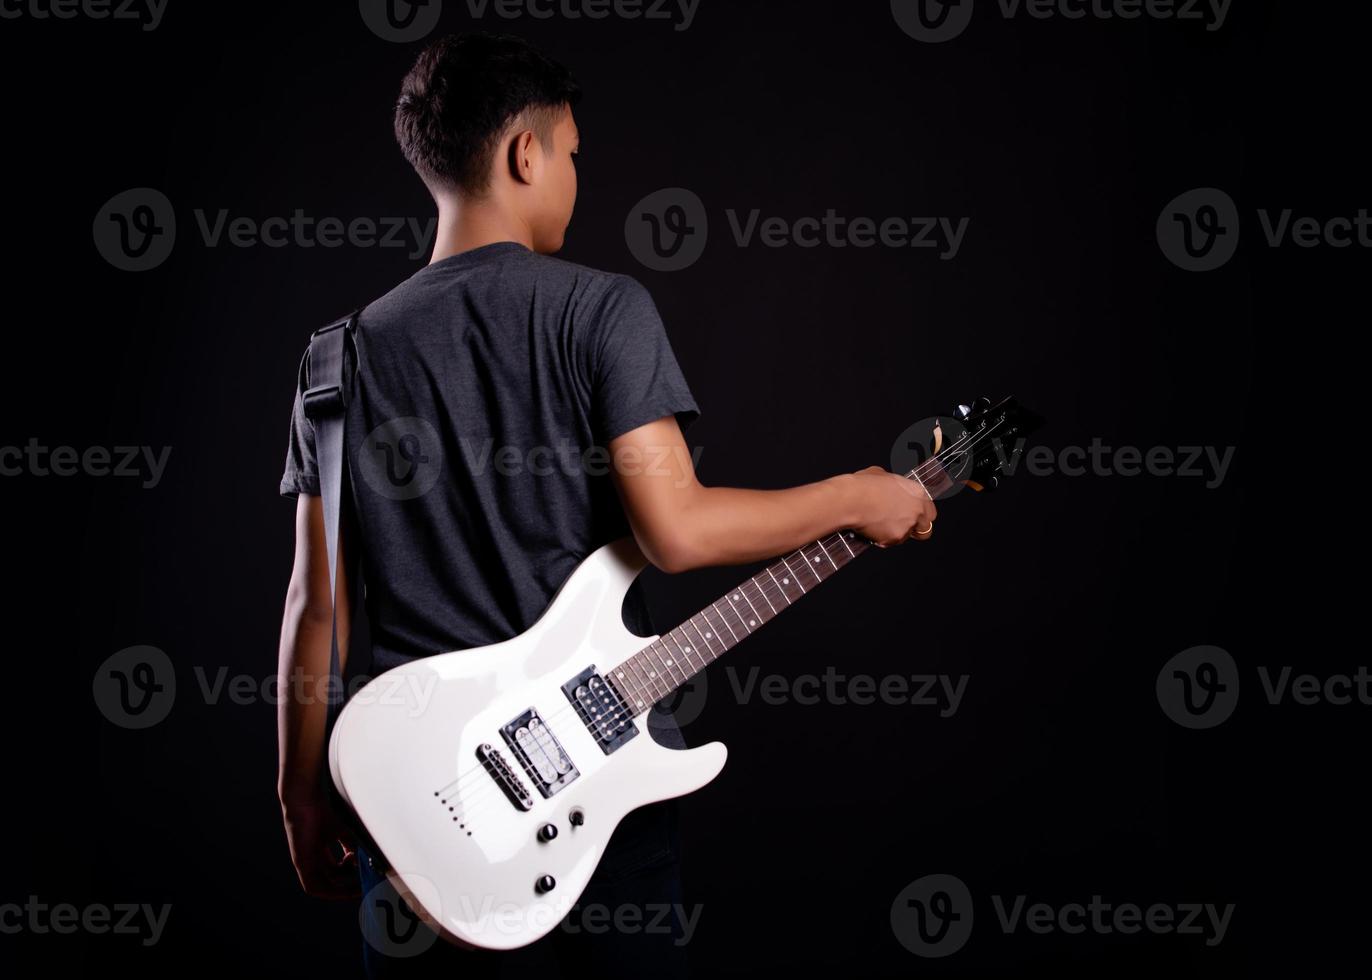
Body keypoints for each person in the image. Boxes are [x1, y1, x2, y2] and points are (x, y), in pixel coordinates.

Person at [275, 32, 936, 978]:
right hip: (594, 809)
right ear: (524, 153)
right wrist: (853, 494)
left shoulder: (334, 358)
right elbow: (678, 531)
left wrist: (302, 800)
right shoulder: (599, 309)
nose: (576, 176)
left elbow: (315, 609)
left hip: (417, 820)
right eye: (573, 153)